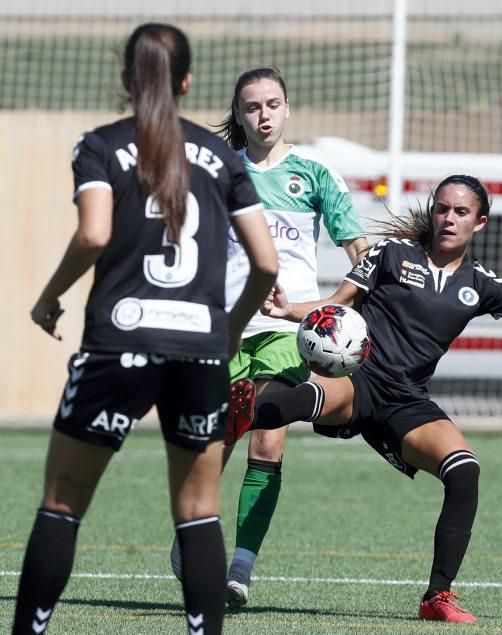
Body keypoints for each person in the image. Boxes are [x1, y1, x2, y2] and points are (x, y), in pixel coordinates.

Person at [224, 174, 502, 623]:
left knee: (465, 470)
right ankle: (243, 413)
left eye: (461, 212)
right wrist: (287, 310)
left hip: (407, 400)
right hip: (361, 377)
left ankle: (437, 597)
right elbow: (338, 303)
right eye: (443, 208)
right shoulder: (391, 255)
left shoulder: (482, 283)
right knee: (292, 403)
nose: (449, 218)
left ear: (480, 222)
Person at [12, 23, 278, 634]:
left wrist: (49, 298)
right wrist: (231, 329)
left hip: (119, 343)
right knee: (198, 513)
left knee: (62, 506)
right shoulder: (222, 162)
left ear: (128, 78)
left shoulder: (101, 145)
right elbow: (266, 263)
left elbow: (94, 234)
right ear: (186, 82)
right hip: (200, 350)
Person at [172, 66, 368, 608]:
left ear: (288, 108)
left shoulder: (314, 172)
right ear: (238, 113)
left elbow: (358, 251)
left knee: (268, 432)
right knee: (217, 442)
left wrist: (355, 303)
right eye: (253, 107)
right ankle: (192, 530)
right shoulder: (216, 170)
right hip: (227, 324)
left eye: (273, 104)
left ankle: (238, 569)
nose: (264, 115)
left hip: (289, 328)